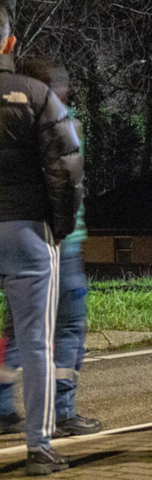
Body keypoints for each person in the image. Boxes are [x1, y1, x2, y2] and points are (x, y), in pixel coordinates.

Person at [0, 6, 84, 475]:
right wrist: (60, 225)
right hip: (28, 231)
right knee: (36, 341)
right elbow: (66, 168)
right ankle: (39, 446)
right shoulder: (36, 95)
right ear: (10, 44)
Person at [0, 59, 102, 441]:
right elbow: (67, 175)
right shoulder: (54, 114)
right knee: (64, 329)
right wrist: (60, 231)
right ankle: (58, 415)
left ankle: (2, 405)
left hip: (14, 233)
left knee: (14, 329)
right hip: (52, 240)